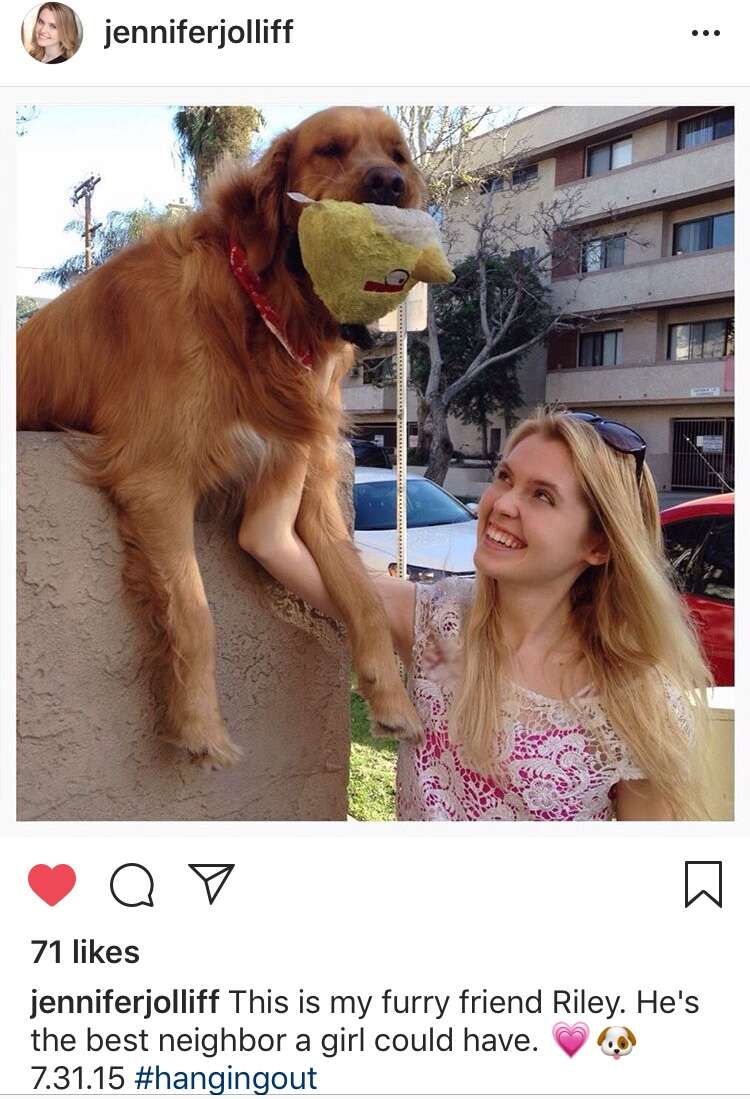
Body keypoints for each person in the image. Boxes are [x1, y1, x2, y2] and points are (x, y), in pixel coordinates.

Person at [240, 407, 712, 821]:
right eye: (505, 478)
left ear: (599, 545)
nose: (502, 504)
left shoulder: (639, 699)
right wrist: (307, 391)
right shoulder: (436, 627)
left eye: (542, 495)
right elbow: (268, 538)